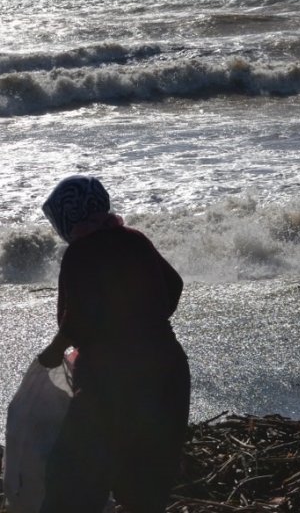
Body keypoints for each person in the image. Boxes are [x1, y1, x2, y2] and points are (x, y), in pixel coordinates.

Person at [37, 175, 190, 513]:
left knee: (74, 474)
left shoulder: (80, 253)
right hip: (167, 368)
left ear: (68, 218)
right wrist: (146, 323)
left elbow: (75, 321)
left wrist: (50, 354)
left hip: (113, 380)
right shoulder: (134, 239)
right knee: (147, 480)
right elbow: (174, 285)